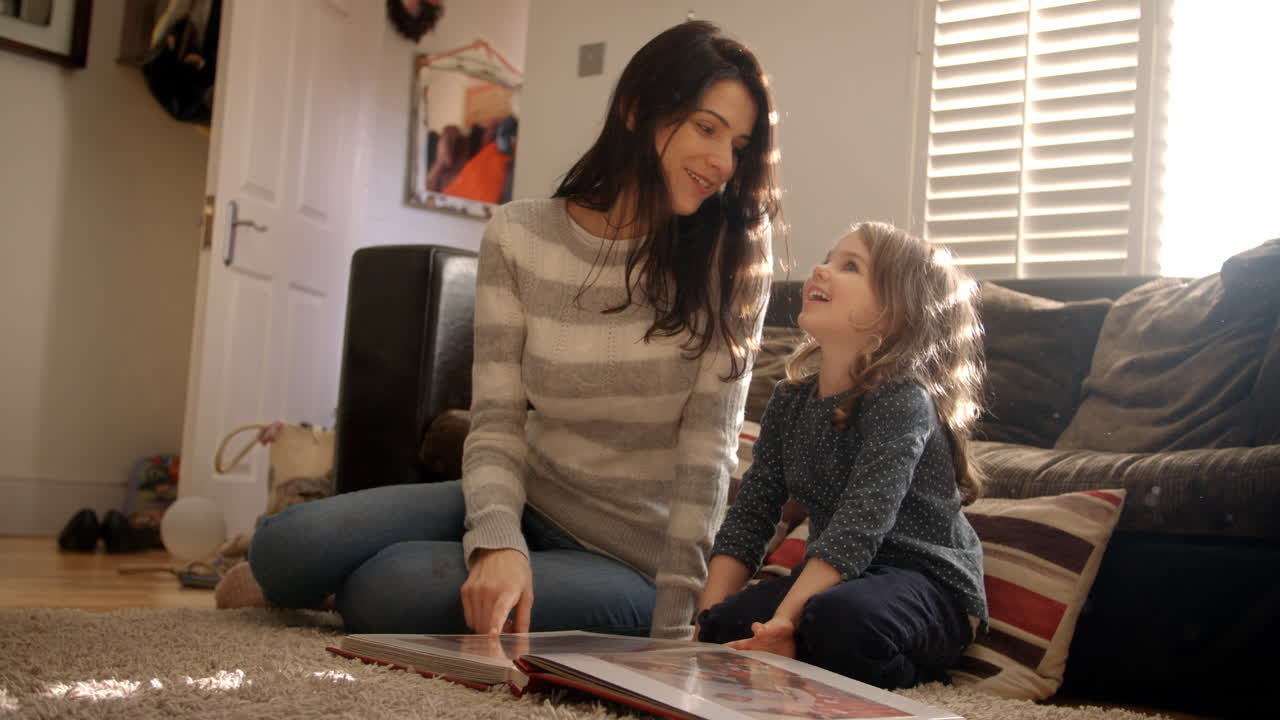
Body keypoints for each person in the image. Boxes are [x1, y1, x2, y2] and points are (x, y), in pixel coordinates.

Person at [247, 19, 782, 641]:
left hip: (630, 562)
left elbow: (709, 454)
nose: (722, 163)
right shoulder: (519, 235)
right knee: (283, 545)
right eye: (706, 128)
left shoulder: (733, 253)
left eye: (739, 146)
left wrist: (674, 626)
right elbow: (496, 418)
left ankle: (357, 586)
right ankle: (324, 576)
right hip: (532, 495)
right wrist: (498, 541)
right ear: (636, 109)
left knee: (386, 591)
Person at [695, 221, 988, 688]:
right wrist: (703, 623)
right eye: (828, 258)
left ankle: (917, 674)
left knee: (838, 620)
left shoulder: (902, 399)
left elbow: (859, 522)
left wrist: (783, 622)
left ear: (898, 313)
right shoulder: (791, 401)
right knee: (725, 629)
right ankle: (804, 648)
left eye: (850, 266)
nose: (821, 270)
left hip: (927, 584)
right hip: (843, 580)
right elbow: (753, 513)